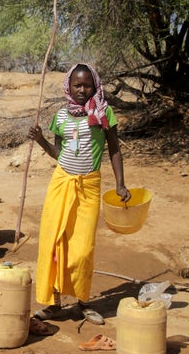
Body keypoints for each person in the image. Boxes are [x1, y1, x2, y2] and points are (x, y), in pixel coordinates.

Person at [28, 63, 131, 325]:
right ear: (68, 86)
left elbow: (114, 149)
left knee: (82, 249)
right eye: (77, 85)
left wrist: (120, 184)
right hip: (61, 183)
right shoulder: (61, 117)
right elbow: (58, 154)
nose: (82, 90)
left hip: (89, 186)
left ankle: (84, 302)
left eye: (87, 85)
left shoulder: (103, 112)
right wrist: (40, 140)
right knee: (53, 243)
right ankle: (54, 303)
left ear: (95, 85)